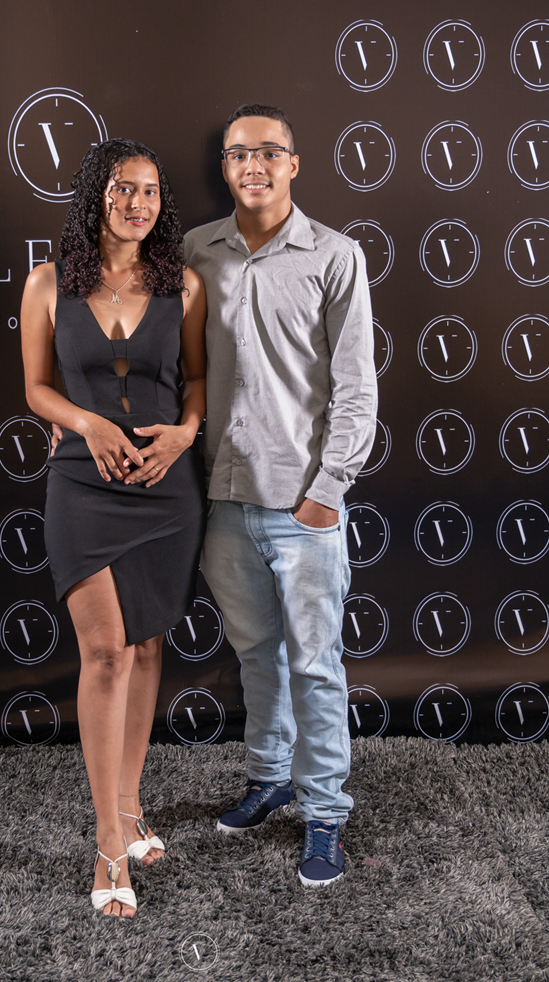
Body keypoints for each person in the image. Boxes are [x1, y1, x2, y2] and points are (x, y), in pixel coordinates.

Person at [184, 104, 377, 888]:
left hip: (304, 507)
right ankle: (270, 778)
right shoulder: (196, 251)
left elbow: (356, 388)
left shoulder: (336, 255)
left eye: (269, 152)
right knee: (255, 655)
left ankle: (325, 812)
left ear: (293, 163)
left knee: (316, 666)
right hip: (222, 502)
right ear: (225, 168)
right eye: (239, 154)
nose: (253, 165)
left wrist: (328, 491)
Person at [20, 139, 207, 918]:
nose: (139, 203)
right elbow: (35, 388)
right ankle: (106, 845)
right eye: (124, 189)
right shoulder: (47, 283)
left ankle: (130, 808)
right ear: (95, 194)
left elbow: (197, 380)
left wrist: (184, 435)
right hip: (82, 486)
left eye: (151, 191)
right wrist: (88, 423)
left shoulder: (184, 285)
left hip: (166, 489)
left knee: (148, 646)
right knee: (104, 653)